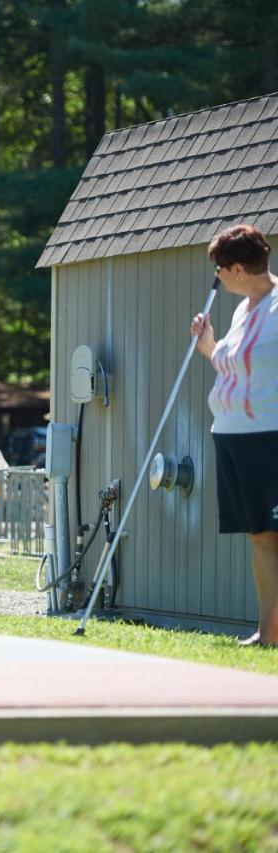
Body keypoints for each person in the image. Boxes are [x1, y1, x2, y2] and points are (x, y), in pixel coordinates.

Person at [190, 224, 278, 647]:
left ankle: (271, 632)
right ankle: (269, 631)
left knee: (271, 533)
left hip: (268, 436)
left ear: (238, 268)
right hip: (231, 434)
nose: (216, 277)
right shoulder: (243, 310)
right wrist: (209, 346)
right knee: (259, 534)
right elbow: (237, 368)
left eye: (218, 269)